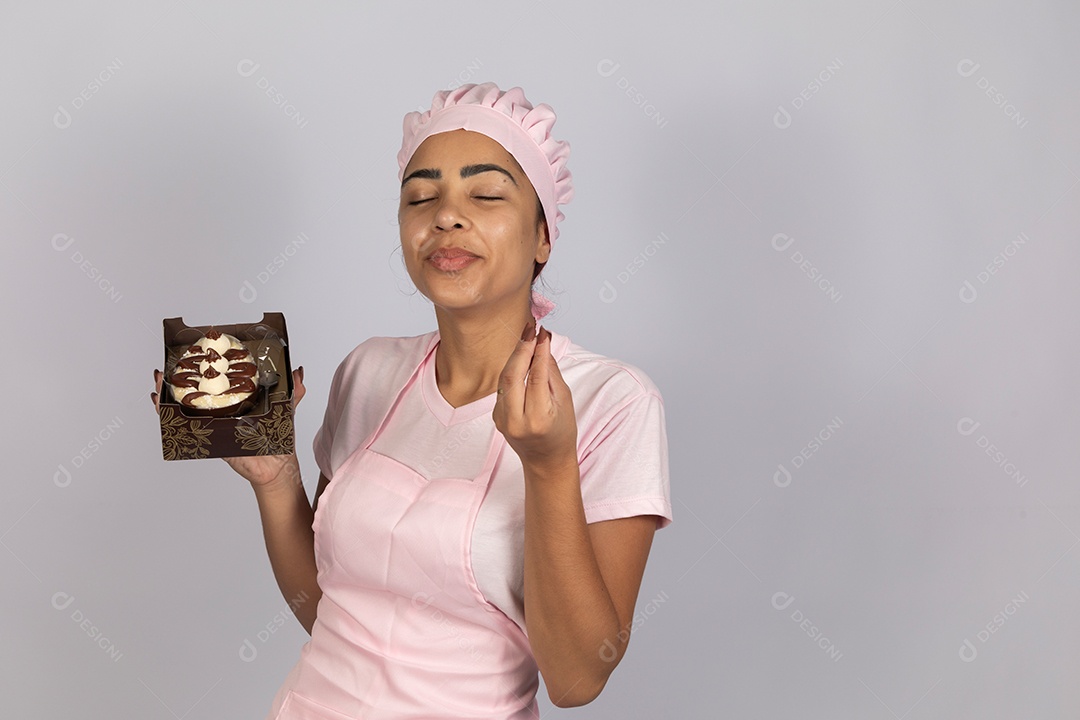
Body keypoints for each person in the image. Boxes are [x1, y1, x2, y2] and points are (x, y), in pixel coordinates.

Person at [152, 82, 672, 719]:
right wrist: (275, 479)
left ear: (543, 237)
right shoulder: (370, 370)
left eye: (485, 194)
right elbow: (327, 609)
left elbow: (575, 680)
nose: (445, 216)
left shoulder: (611, 401)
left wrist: (548, 465)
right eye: (420, 196)